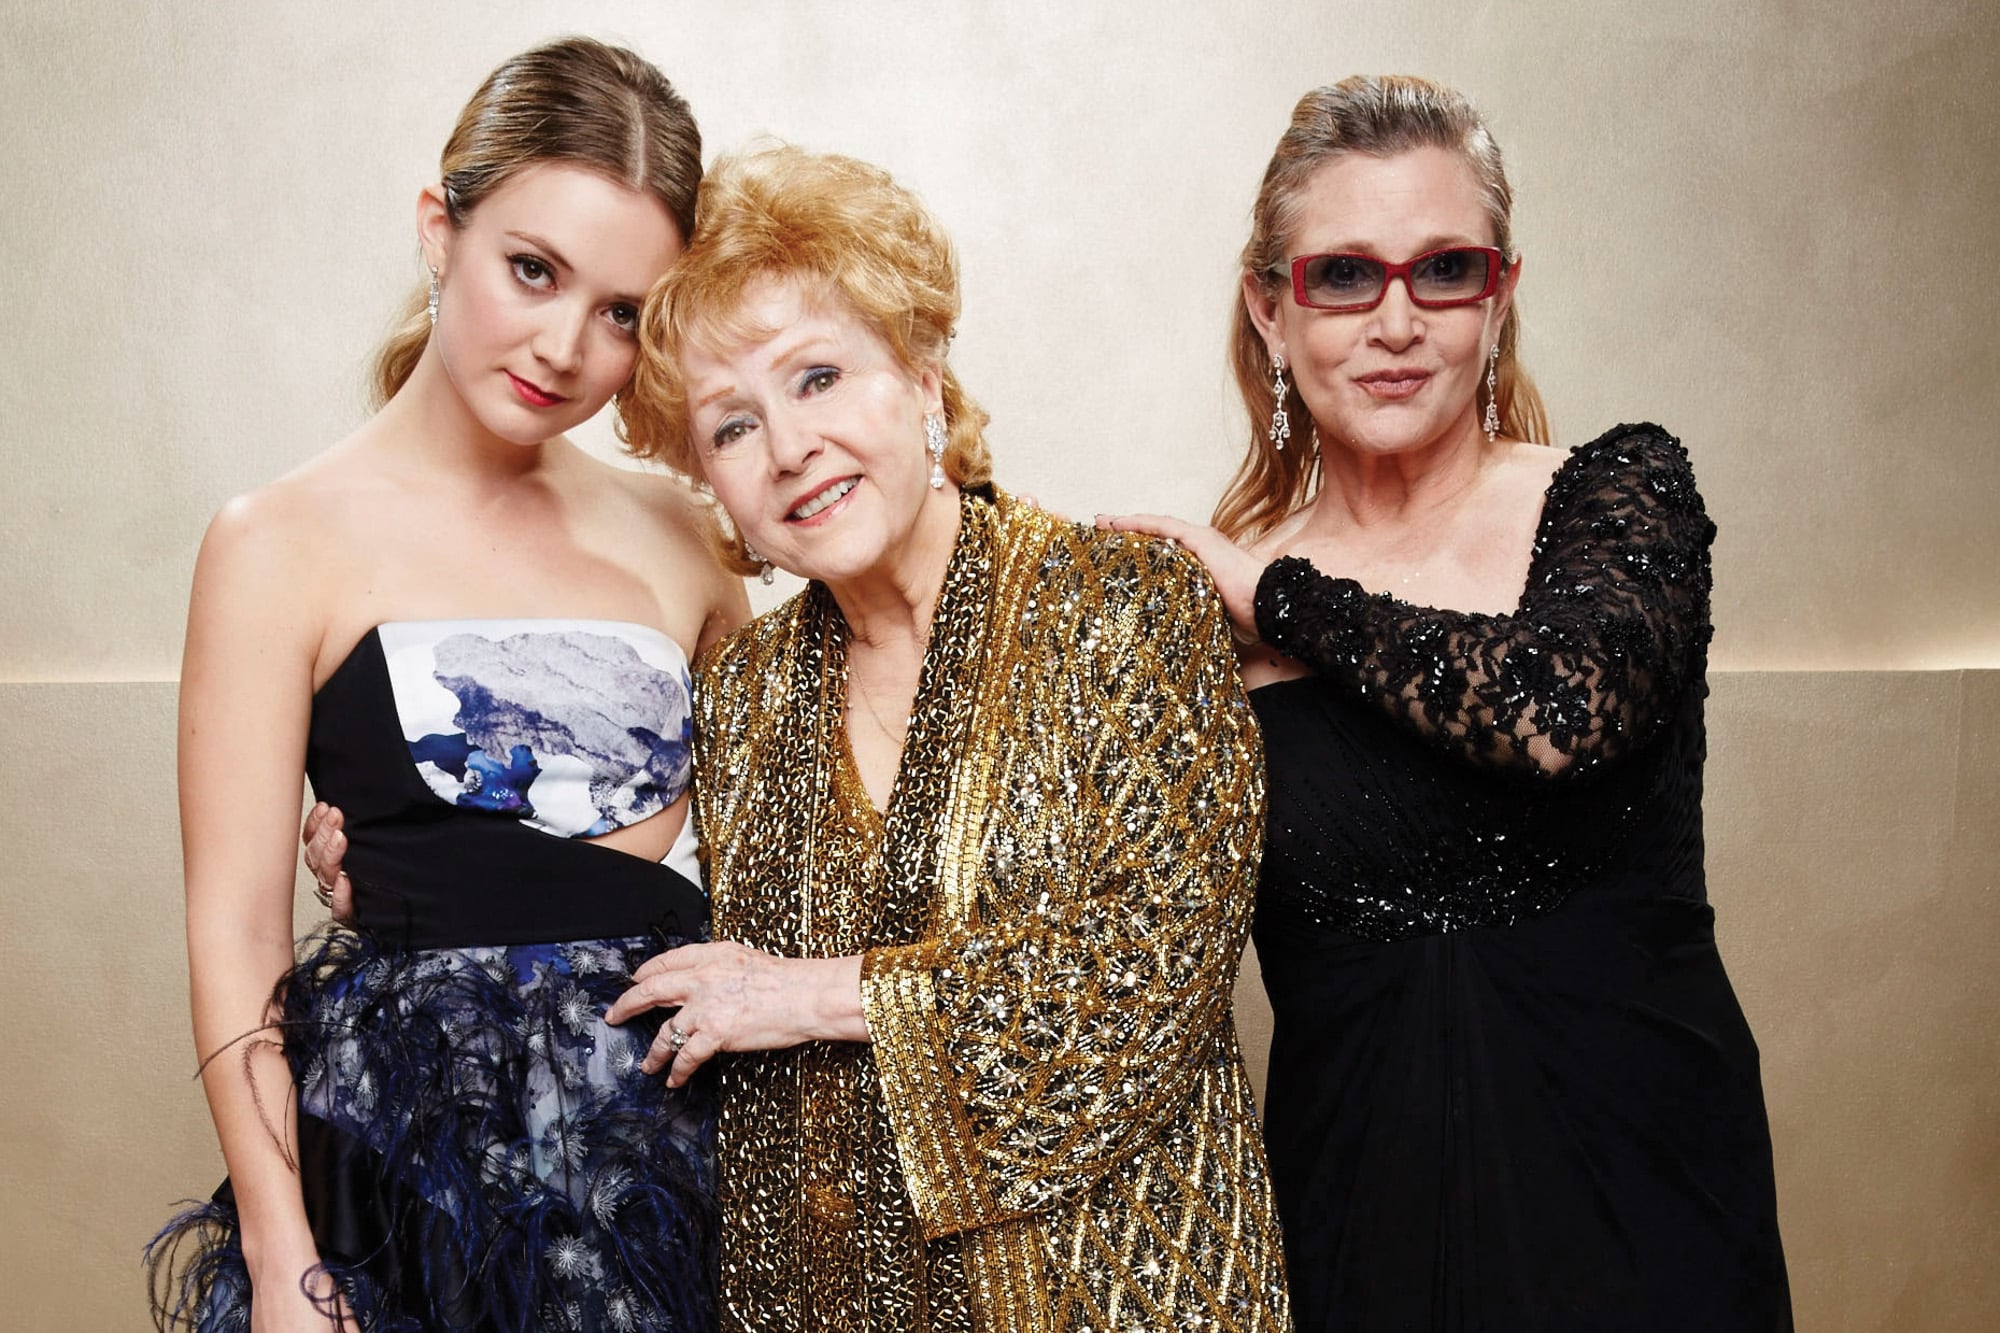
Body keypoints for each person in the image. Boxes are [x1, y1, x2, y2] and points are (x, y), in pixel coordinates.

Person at [1102, 76, 1791, 1331]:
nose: (1396, 320)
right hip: (1356, 1212)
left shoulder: (1615, 492)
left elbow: (1558, 709)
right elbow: (1113, 939)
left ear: (1500, 294)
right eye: (1344, 275)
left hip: (1645, 1200)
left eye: (1444, 270)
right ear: (1270, 308)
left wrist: (1280, 595)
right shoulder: (1195, 616)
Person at [597, 144, 1291, 1331]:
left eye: (817, 377)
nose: (788, 449)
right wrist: (391, 841)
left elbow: (1148, 973)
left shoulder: (1125, 604)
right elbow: (609, 886)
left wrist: (816, 996)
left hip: (1120, 1291)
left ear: (922, 379)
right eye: (731, 426)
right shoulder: (744, 694)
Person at [148, 38, 745, 1332]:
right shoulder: (274, 543)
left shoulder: (683, 534)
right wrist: (284, 1260)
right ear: (440, 228)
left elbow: (777, 845)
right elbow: (235, 944)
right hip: (402, 1175)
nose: (564, 346)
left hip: (663, 1174)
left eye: (621, 311)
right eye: (531, 270)